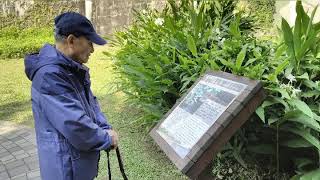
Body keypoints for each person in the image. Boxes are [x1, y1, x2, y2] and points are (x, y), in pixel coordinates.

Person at [24, 12, 119, 180]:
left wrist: (104, 127)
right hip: (65, 168)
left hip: (77, 164)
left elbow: (91, 103)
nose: (92, 50)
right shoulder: (50, 75)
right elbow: (75, 125)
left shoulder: (71, 68)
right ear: (71, 41)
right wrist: (105, 138)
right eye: (89, 43)